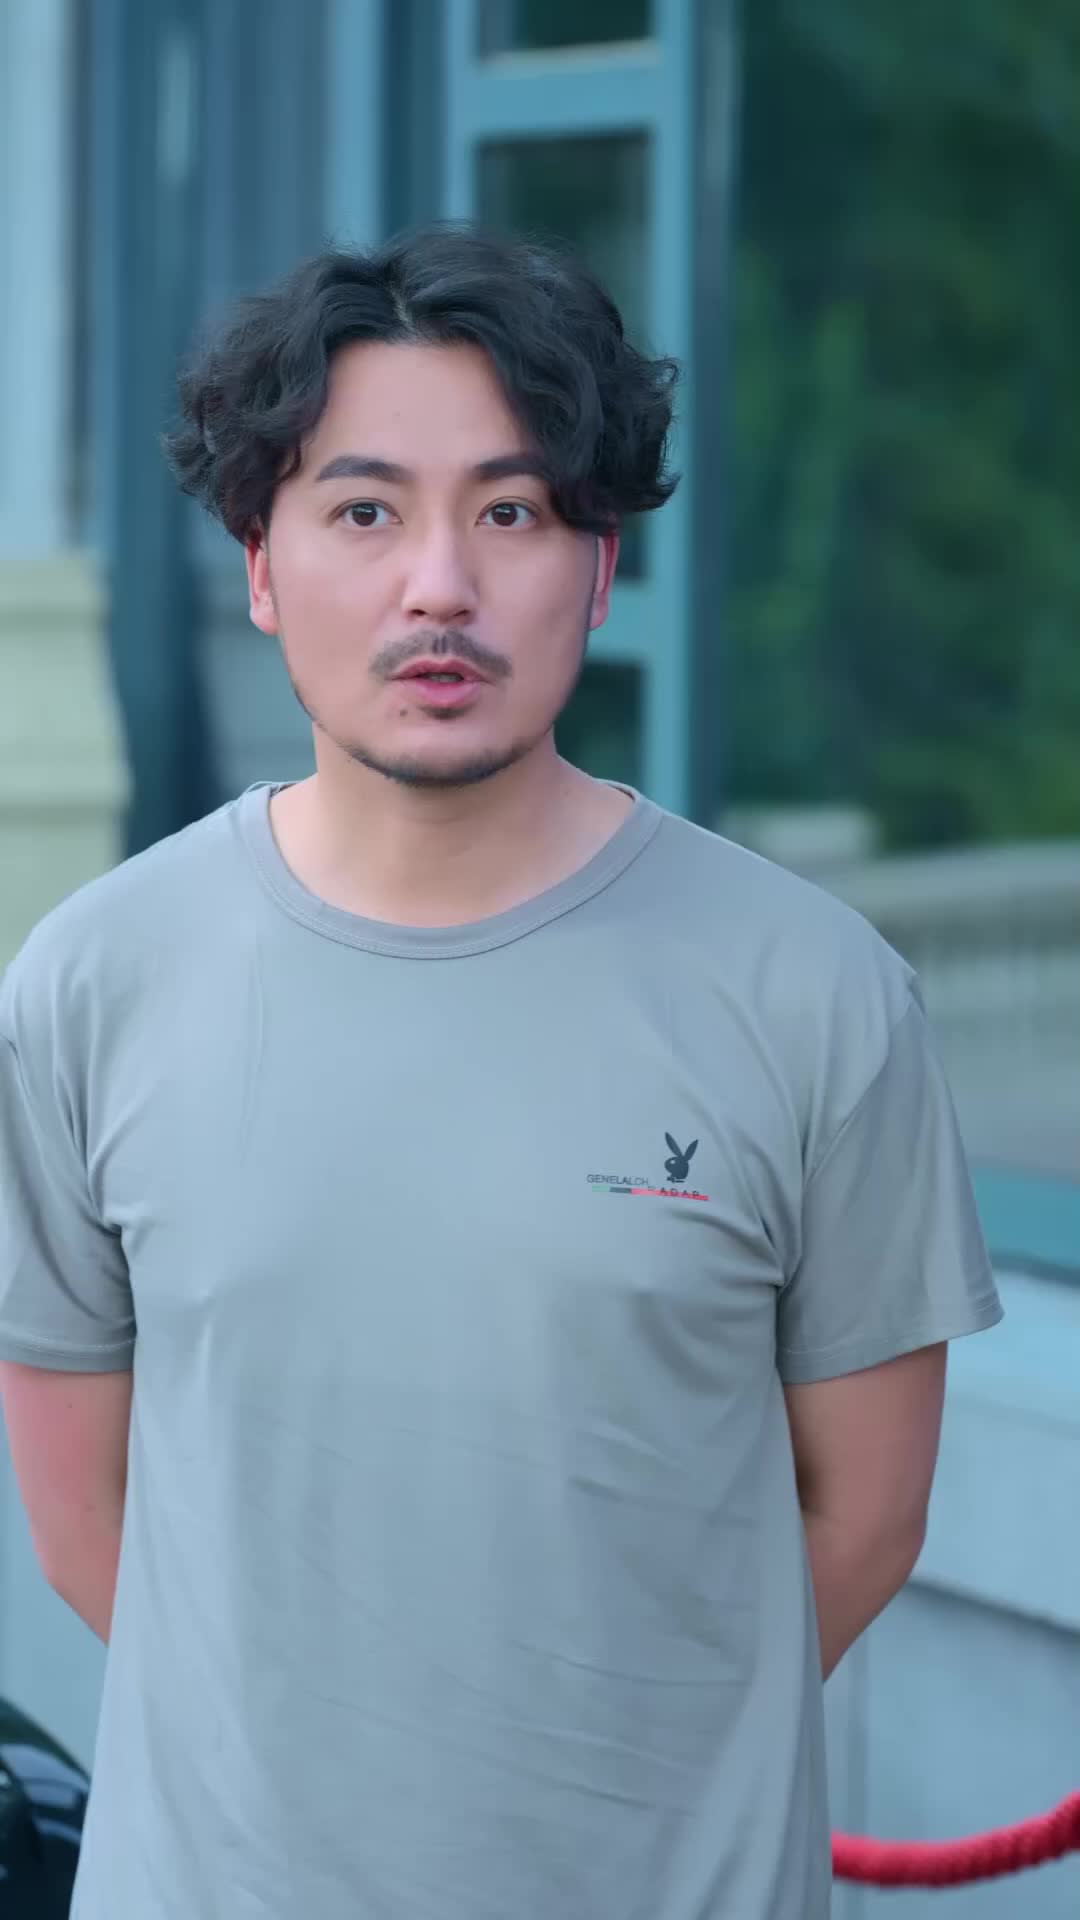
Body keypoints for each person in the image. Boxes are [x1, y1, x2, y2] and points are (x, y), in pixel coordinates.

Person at [0, 222, 1002, 1920]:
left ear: (600, 567)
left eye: (513, 512)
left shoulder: (816, 997)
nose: (439, 588)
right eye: (364, 511)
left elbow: (863, 1523)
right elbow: (83, 1517)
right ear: (260, 563)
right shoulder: (93, 982)